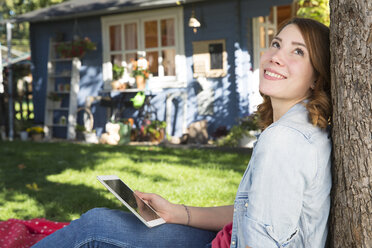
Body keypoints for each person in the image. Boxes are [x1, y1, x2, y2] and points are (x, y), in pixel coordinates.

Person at [32, 17, 332, 248]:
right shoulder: (296, 128)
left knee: (92, 232)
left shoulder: (284, 141)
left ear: (315, 77)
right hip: (229, 238)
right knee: (98, 222)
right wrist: (179, 213)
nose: (277, 56)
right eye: (277, 44)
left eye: (298, 52)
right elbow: (252, 212)